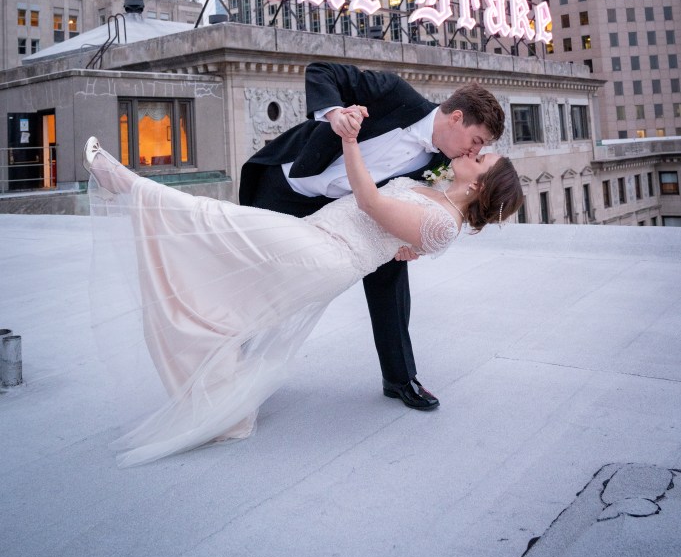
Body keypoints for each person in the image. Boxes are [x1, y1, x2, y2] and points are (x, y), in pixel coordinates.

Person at [85, 116, 522, 466]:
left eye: (483, 159)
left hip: (328, 253)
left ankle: (126, 185)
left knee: (220, 221)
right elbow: (403, 237)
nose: (475, 153)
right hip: (314, 235)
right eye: (480, 148)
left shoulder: (445, 222)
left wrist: (351, 141)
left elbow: (372, 203)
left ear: (480, 184)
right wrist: (405, 245)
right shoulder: (439, 198)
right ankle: (227, 411)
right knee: (234, 294)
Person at [240, 62, 506, 410]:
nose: (474, 152)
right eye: (476, 141)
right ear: (456, 117)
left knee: (391, 273)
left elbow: (423, 212)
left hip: (348, 215)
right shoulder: (395, 93)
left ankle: (399, 377)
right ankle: (235, 355)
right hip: (288, 183)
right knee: (259, 274)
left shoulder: (443, 162)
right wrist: (335, 114)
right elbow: (322, 71)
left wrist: (411, 245)